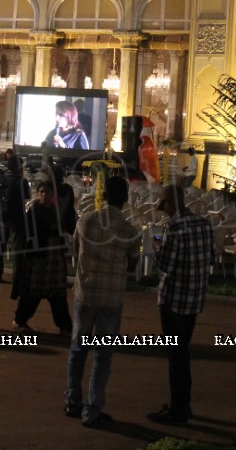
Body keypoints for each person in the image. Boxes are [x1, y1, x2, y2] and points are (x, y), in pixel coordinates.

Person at [65, 178, 140, 428]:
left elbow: (75, 252)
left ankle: (72, 400)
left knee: (78, 349)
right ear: (125, 199)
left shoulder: (85, 220)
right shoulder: (129, 230)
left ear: (104, 194)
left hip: (85, 293)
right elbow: (132, 264)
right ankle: (92, 409)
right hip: (111, 298)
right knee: (103, 355)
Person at [148, 184, 214, 425]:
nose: (163, 211)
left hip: (173, 299)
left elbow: (166, 263)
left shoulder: (173, 227)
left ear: (171, 203)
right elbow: (210, 259)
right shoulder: (204, 224)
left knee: (176, 357)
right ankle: (183, 404)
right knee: (182, 351)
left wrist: (157, 248)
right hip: (194, 298)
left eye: (164, 206)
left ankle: (179, 409)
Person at [11, 178, 73, 335]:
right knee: (32, 294)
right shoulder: (33, 212)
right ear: (38, 194)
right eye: (41, 192)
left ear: (52, 194)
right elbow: (27, 236)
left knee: (58, 295)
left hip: (54, 260)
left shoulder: (55, 211)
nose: (44, 195)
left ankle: (65, 326)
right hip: (38, 260)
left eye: (47, 191)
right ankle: (19, 321)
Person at [0, 153, 29, 283]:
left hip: (1, 216)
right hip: (16, 218)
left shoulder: (1, 179)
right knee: (17, 248)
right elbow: (26, 198)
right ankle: (17, 277)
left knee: (0, 245)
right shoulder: (21, 181)